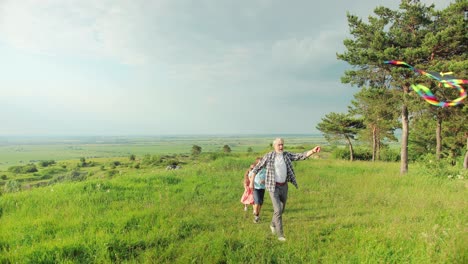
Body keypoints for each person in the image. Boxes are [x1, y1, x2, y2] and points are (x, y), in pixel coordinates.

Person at [250, 138, 320, 241]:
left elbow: (300, 156)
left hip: (284, 186)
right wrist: (251, 182)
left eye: (282, 144)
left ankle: (273, 224)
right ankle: (280, 235)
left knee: (281, 209)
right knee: (277, 209)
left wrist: (313, 151)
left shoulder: (286, 155)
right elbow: (257, 168)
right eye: (279, 145)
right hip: (273, 187)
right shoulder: (269, 156)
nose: (281, 147)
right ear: (274, 146)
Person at [249, 157, 266, 223]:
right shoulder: (254, 170)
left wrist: (264, 181)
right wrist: (251, 182)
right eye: (259, 162)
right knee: (257, 201)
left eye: (262, 162)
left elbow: (268, 177)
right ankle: (256, 214)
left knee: (260, 202)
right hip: (255, 188)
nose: (261, 163)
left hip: (262, 187)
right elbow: (250, 176)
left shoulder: (265, 170)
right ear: (257, 163)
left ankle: (257, 215)